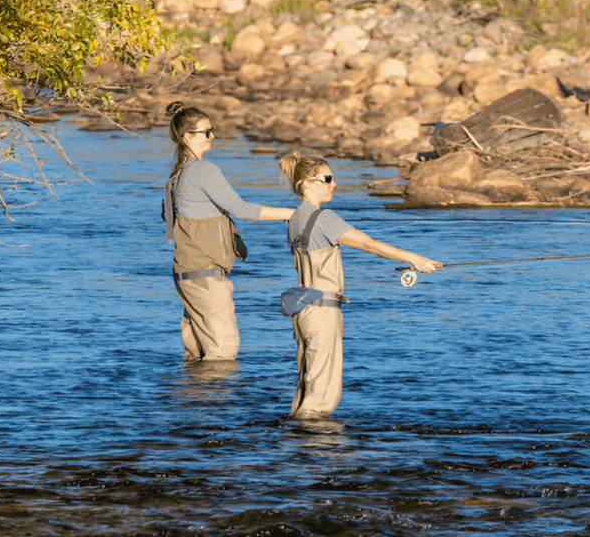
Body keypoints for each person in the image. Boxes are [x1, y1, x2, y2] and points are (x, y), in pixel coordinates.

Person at [279, 152, 440, 419]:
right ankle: (312, 455)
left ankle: (294, 448)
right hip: (323, 312)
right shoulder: (323, 218)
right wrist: (415, 258)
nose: (334, 185)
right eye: (327, 179)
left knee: (305, 390)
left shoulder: (296, 219)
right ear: (306, 183)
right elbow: (368, 244)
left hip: (303, 312)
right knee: (318, 400)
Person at [164, 103, 294, 362]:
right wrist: (292, 214)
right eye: (206, 132)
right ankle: (217, 403)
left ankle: (191, 402)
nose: (212, 137)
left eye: (213, 130)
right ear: (187, 137)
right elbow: (241, 209)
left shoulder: (177, 176)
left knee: (196, 354)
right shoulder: (203, 170)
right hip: (205, 278)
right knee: (223, 352)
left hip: (187, 275)